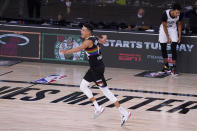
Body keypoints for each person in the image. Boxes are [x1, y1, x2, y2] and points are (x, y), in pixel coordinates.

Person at [60, 23, 131, 126]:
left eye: (83, 30)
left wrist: (66, 51)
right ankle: (98, 107)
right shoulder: (95, 37)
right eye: (82, 29)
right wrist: (104, 38)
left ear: (88, 32)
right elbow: (103, 41)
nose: (81, 31)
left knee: (106, 92)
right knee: (83, 86)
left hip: (97, 70)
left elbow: (79, 48)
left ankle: (125, 113)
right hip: (95, 68)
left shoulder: (88, 41)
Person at [159, 3, 183, 75]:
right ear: (172, 11)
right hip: (164, 29)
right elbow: (164, 26)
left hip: (173, 29)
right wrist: (168, 37)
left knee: (174, 47)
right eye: (176, 12)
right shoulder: (165, 14)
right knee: (163, 47)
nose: (178, 14)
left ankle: (173, 68)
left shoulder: (180, 15)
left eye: (179, 12)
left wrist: (179, 37)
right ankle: (166, 66)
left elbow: (179, 25)